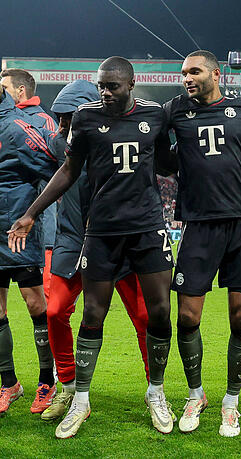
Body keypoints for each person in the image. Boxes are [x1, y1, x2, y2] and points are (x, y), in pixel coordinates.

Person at [8, 56, 177, 438]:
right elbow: (67, 170)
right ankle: (79, 399)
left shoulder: (154, 116)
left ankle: (157, 392)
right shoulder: (85, 119)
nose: (105, 92)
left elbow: (169, 163)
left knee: (159, 313)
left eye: (112, 86)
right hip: (100, 232)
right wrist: (32, 213)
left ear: (131, 84)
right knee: (92, 315)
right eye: (101, 85)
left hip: (148, 229)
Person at [163, 50, 241, 437]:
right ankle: (196, 394)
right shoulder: (175, 110)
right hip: (197, 226)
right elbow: (159, 152)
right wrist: (179, 160)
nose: (186, 78)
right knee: (187, 317)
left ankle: (231, 402)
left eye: (194, 71)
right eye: (183, 73)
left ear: (215, 72)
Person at [37, 79, 151, 423]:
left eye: (69, 118)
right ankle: (68, 388)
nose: (63, 126)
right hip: (71, 241)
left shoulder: (120, 138)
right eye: (60, 118)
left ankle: (154, 389)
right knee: (55, 311)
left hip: (119, 240)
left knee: (145, 318)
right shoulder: (58, 144)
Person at [0, 84, 58, 415]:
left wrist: (32, 213)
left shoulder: (19, 126)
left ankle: (46, 381)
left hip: (16, 231)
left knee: (36, 304)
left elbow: (52, 168)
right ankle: (9, 384)